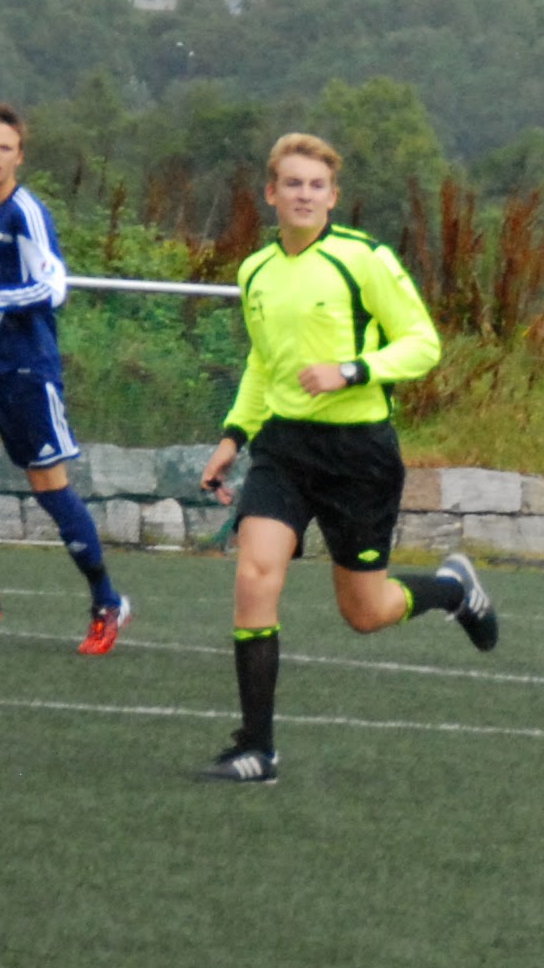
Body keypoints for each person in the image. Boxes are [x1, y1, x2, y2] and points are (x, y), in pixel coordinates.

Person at [191, 131, 496, 784]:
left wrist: (352, 370)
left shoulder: (364, 259)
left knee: (365, 612)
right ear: (271, 194)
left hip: (359, 455)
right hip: (284, 449)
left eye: (316, 185)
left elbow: (422, 344)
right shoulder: (255, 271)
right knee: (254, 576)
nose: (304, 194)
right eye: (292, 184)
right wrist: (232, 438)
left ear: (333, 196)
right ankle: (256, 748)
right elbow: (263, 363)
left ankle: (452, 590)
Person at [0, 104, 129, 654]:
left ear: (19, 157)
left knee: (50, 490)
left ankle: (108, 601)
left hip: (28, 372)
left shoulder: (27, 213)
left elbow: (52, 289)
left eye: (5, 148)